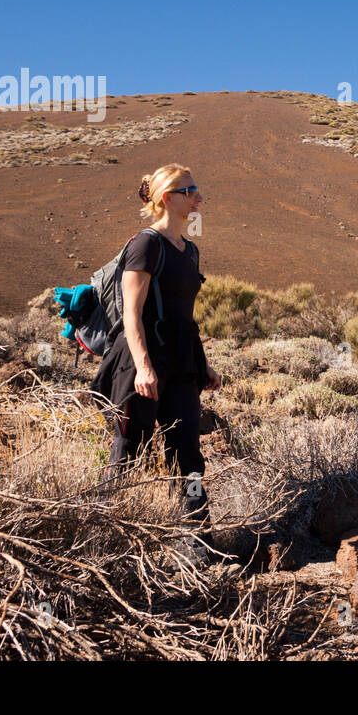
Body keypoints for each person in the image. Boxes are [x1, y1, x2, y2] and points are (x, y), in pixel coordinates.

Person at [90, 163, 221, 522]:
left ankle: (196, 532)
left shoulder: (189, 250)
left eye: (196, 190)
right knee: (129, 450)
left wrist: (202, 363)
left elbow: (184, 315)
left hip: (181, 361)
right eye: (189, 192)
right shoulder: (146, 244)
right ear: (167, 198)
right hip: (140, 364)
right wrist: (144, 368)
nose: (198, 198)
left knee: (188, 455)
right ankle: (103, 527)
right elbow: (131, 315)